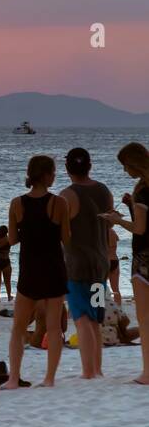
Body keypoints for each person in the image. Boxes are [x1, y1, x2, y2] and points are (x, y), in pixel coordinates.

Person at [3, 155, 71, 390]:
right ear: (44, 175)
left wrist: (28, 233)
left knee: (18, 327)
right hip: (53, 268)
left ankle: (13, 378)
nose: (54, 177)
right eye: (52, 173)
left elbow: (12, 239)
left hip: (29, 269)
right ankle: (49, 379)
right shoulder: (59, 203)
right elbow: (66, 238)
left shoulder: (16, 203)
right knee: (53, 327)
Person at [58, 147, 113, 380]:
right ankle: (97, 369)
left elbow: (60, 230)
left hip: (77, 265)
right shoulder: (104, 191)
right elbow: (109, 225)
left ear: (67, 168)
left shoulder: (67, 195)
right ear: (89, 166)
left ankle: (88, 371)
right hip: (101, 264)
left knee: (82, 318)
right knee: (95, 318)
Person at [98, 141, 149, 385]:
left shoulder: (142, 190)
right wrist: (130, 207)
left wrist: (116, 220)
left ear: (133, 164)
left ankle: (147, 372)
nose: (124, 171)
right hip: (119, 263)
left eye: (125, 166)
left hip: (142, 260)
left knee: (145, 316)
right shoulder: (140, 193)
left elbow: (140, 229)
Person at [107, 229, 122, 306]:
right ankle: (119, 309)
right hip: (115, 260)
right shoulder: (113, 231)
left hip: (105, 261)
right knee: (116, 289)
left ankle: (100, 309)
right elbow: (117, 238)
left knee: (100, 287)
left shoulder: (101, 232)